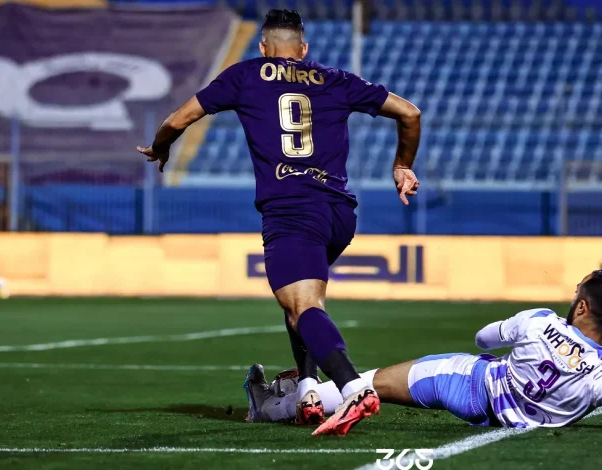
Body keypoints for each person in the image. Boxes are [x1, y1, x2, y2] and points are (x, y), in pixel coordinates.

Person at [136, 9, 422, 436]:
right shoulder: (335, 78)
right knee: (300, 307)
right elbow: (410, 113)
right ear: (303, 49)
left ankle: (352, 387)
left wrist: (161, 147)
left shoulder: (245, 75)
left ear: (263, 47)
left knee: (303, 307)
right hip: (338, 213)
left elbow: (177, 120)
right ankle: (307, 388)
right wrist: (401, 165)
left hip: (291, 209)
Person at [246, 270, 602, 434]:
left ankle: (278, 404)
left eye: (577, 294)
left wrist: (509, 332)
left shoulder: (539, 321)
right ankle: (299, 397)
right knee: (377, 382)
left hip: (470, 382)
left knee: (370, 380)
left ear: (583, 306)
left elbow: (483, 340)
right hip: (505, 418)